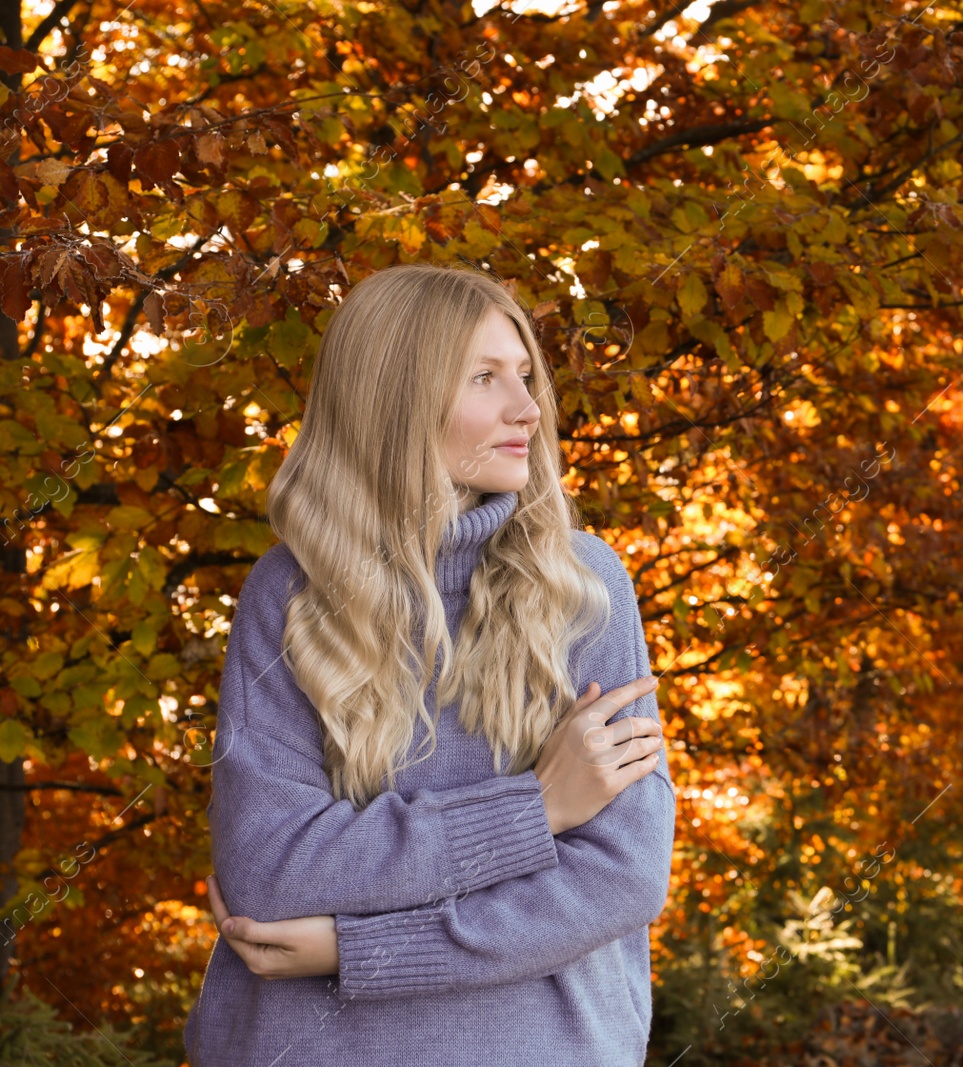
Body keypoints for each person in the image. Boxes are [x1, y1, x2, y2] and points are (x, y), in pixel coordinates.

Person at [182, 264, 676, 1067]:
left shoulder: (581, 586)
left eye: (525, 375)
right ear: (395, 399)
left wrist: (356, 950)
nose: (528, 407)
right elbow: (270, 870)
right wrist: (535, 809)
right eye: (485, 377)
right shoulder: (292, 590)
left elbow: (619, 877)